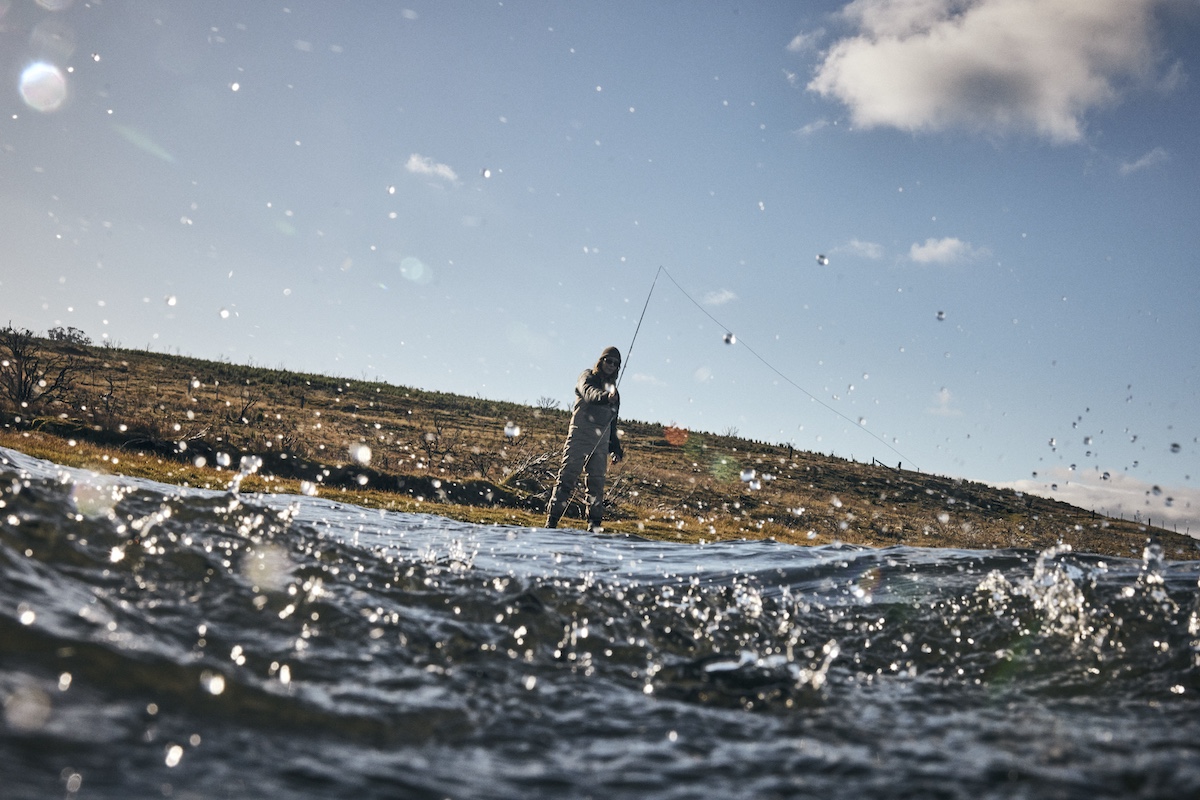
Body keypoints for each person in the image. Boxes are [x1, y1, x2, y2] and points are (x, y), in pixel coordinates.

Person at [545, 346, 625, 531]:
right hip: (580, 436)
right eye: (608, 360)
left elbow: (613, 425)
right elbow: (589, 394)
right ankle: (551, 523)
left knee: (596, 486)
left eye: (615, 363)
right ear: (601, 360)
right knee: (566, 479)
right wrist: (606, 397)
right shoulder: (586, 377)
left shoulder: (615, 394)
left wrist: (616, 450)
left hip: (601, 442)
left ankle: (594, 528)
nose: (611, 365)